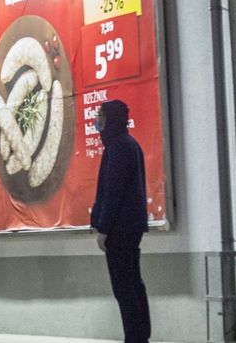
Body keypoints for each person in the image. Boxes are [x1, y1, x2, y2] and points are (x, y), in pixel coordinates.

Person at [91, 100, 151, 343]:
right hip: (130, 226)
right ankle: (140, 336)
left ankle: (135, 338)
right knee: (133, 284)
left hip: (120, 228)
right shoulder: (129, 144)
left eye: (100, 115)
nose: (97, 120)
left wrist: (104, 228)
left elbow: (113, 191)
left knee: (124, 287)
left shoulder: (118, 147)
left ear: (111, 119)